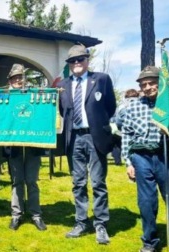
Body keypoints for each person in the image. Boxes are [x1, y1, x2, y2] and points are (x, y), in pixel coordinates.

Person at [57, 44, 116, 244]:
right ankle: (81, 222)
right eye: (72, 61)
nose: (76, 63)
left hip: (95, 136)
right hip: (74, 138)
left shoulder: (101, 79)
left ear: (87, 60)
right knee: (78, 183)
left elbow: (111, 106)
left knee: (98, 182)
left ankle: (100, 224)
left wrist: (98, 125)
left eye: (80, 59)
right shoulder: (62, 85)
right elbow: (61, 111)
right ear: (69, 64)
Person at [121, 66, 169, 252]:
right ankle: (149, 241)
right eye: (143, 84)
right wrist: (128, 162)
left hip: (166, 156)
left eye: (152, 83)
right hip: (141, 157)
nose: (147, 87)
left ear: (160, 84)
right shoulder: (134, 105)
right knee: (146, 202)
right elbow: (127, 134)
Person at [5, 64, 46, 231]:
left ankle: (36, 214)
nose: (18, 81)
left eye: (20, 77)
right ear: (10, 80)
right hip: (13, 145)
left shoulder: (34, 95)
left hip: (32, 145)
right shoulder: (4, 97)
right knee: (17, 181)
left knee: (31, 180)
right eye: (15, 78)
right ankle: (17, 214)